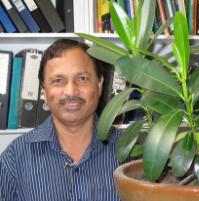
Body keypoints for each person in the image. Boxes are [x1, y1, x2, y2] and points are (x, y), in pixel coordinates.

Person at [0, 39, 121, 201]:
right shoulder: (15, 158)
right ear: (43, 91)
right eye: (58, 81)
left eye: (83, 78)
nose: (71, 91)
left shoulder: (128, 149)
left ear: (99, 85)